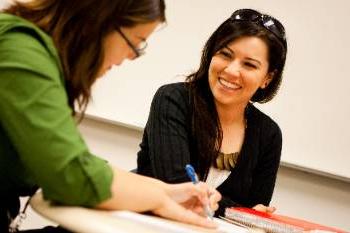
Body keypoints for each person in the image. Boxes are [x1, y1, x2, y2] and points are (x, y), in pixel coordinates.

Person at [0, 0, 221, 232]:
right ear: (99, 19)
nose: (127, 58)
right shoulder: (20, 50)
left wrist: (167, 192)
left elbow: (77, 162)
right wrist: (159, 200)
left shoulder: (27, 49)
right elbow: (70, 174)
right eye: (135, 44)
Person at [137, 8, 287, 217]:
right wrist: (237, 210)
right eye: (225, 54)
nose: (231, 71)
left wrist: (247, 213)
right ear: (211, 54)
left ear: (267, 78)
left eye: (249, 65)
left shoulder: (268, 134)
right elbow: (178, 187)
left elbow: (256, 213)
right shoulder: (173, 99)